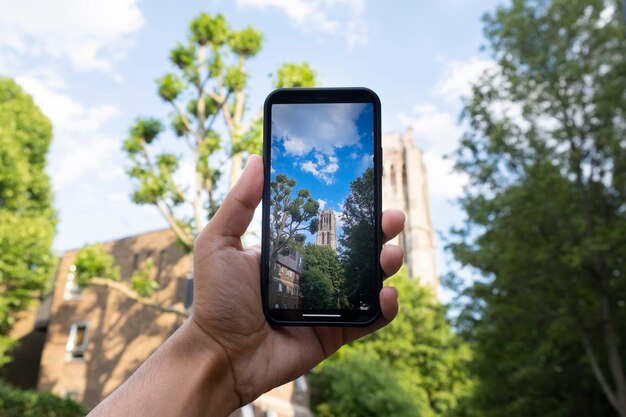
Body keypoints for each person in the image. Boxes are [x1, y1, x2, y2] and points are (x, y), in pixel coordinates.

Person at [88, 155, 405, 417]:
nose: (324, 230)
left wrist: (217, 351)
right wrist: (215, 345)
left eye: (326, 227)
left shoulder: (330, 250)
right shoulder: (301, 254)